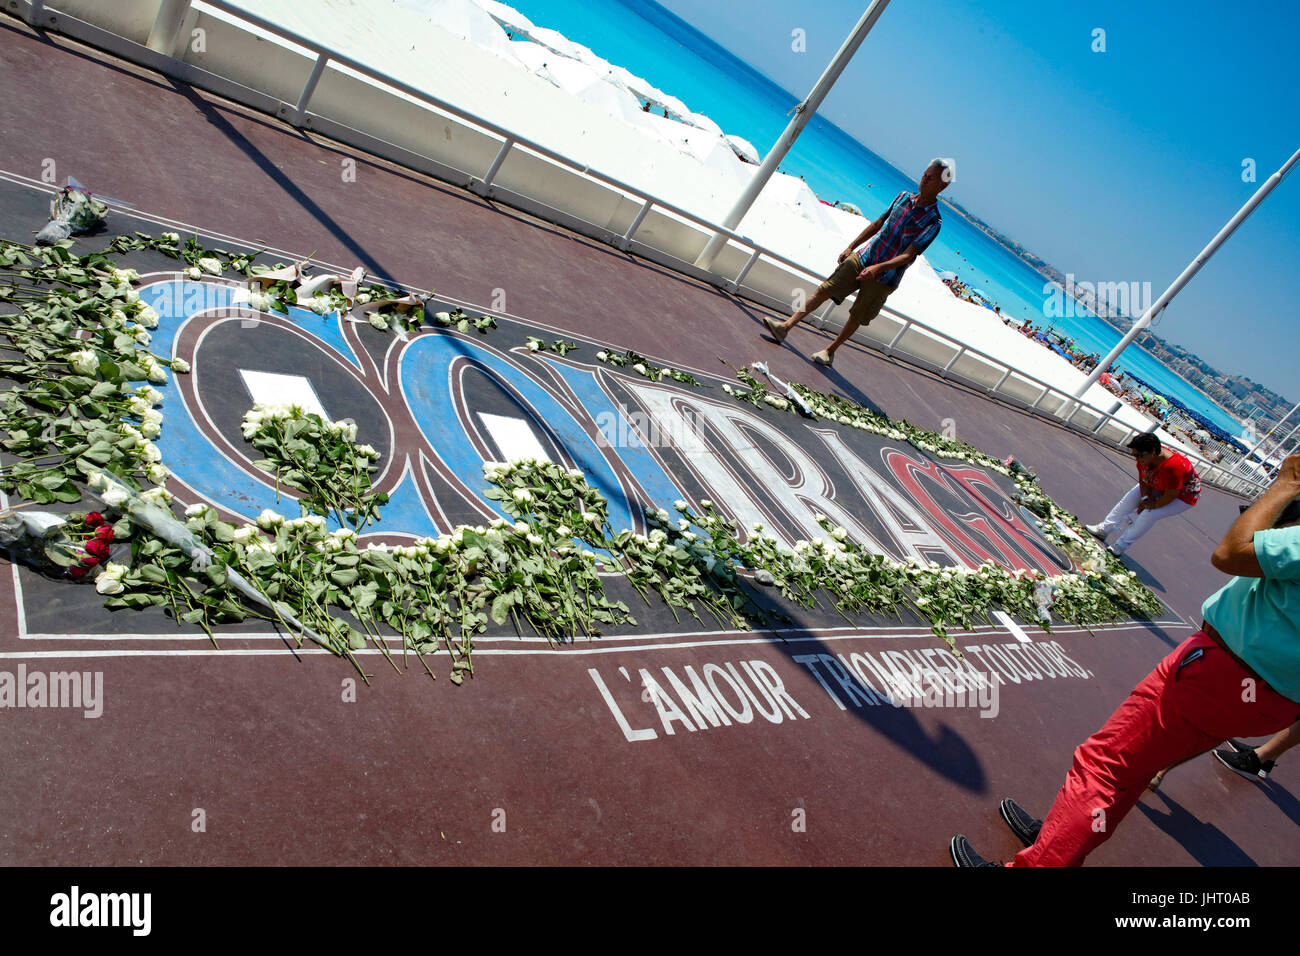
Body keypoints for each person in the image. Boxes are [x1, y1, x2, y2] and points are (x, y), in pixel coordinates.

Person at [950, 454, 1300, 866]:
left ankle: (1044, 858)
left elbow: (1231, 552)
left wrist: (1286, 485)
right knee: (1128, 773)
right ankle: (1056, 840)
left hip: (1221, 676)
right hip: (1270, 702)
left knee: (1105, 768)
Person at [761, 158, 952, 367]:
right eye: (925, 174)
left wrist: (878, 268)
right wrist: (851, 246)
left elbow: (909, 255)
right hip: (865, 256)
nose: (924, 180)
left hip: (885, 276)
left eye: (931, 178)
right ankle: (785, 327)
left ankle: (829, 351)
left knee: (857, 315)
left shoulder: (934, 220)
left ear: (941, 186)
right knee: (826, 289)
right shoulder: (903, 197)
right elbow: (879, 223)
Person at [1085, 432, 1200, 556]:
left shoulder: (1173, 466)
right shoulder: (1144, 458)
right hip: (1159, 482)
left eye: (1139, 456)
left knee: (1150, 514)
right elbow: (1143, 480)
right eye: (1134, 455)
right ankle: (1104, 528)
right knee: (1130, 498)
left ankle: (1121, 545)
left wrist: (1152, 505)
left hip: (1182, 494)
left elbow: (1171, 494)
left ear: (1153, 451)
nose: (1137, 459)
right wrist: (1145, 498)